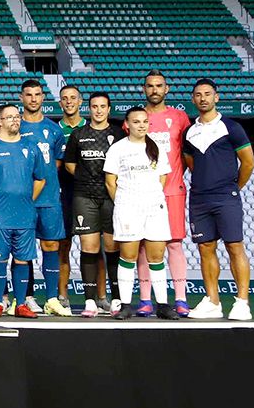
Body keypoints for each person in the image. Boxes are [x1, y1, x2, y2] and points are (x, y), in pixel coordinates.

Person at [184, 79, 254, 320]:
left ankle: (242, 302)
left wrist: (233, 187)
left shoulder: (231, 127)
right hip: (199, 199)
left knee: (235, 246)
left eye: (207, 94)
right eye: (198, 95)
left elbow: (248, 162)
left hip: (226, 197)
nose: (203, 98)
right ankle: (213, 301)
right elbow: (191, 164)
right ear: (193, 99)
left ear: (217, 97)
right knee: (206, 248)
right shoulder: (189, 132)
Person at [103, 107, 177, 320]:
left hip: (154, 208)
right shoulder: (118, 149)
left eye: (145, 121)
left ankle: (162, 304)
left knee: (156, 258)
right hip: (128, 208)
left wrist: (150, 198)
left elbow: (162, 178)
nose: (141, 125)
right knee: (128, 257)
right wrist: (125, 204)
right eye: (136, 122)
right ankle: (126, 305)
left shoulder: (156, 147)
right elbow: (110, 182)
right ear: (127, 125)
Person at [0, 104, 46, 318]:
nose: (15, 120)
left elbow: (40, 179)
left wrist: (26, 199)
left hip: (24, 215)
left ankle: (21, 304)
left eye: (17, 117)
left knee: (23, 259)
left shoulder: (31, 148)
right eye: (9, 117)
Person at [139, 70, 194, 316]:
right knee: (142, 246)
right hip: (142, 192)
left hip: (172, 190)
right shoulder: (136, 118)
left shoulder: (180, 118)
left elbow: (189, 152)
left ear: (167, 89)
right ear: (144, 89)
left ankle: (181, 298)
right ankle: (145, 300)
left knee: (174, 245)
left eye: (159, 85)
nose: (154, 90)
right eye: (150, 86)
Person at [65, 93, 120, 318]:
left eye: (102, 106)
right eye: (94, 106)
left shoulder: (118, 134)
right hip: (84, 197)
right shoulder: (79, 135)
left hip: (112, 196)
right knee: (89, 247)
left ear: (109, 109)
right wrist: (85, 179)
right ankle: (89, 301)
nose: (98, 110)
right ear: (89, 109)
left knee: (112, 247)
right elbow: (69, 163)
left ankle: (117, 298)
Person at [18, 79, 67, 313]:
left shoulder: (55, 130)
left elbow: (56, 163)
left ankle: (51, 298)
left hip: (48, 198)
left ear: (43, 98)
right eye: (28, 95)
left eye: (37, 94)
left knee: (50, 244)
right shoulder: (15, 128)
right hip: (22, 200)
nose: (33, 99)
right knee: (23, 249)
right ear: (21, 98)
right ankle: (27, 297)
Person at [56, 84, 87, 307]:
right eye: (65, 98)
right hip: (62, 194)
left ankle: (97, 296)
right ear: (60, 103)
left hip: (89, 194)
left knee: (92, 247)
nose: (69, 102)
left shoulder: (91, 128)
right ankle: (62, 294)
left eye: (73, 98)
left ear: (80, 102)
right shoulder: (55, 130)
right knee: (63, 245)